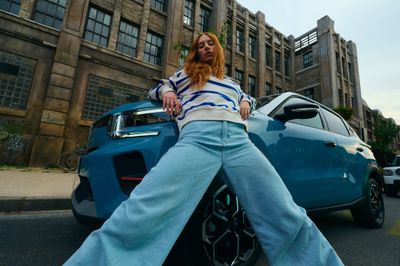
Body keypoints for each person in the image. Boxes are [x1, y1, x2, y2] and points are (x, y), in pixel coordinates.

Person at [64, 32, 343, 266]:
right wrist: (169, 93)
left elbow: (246, 99)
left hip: (238, 141)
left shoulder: (231, 83)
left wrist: (246, 102)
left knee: (284, 210)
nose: (205, 47)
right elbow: (158, 89)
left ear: (217, 49)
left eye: (210, 43)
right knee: (144, 207)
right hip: (197, 138)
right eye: (200, 45)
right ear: (195, 52)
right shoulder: (185, 74)